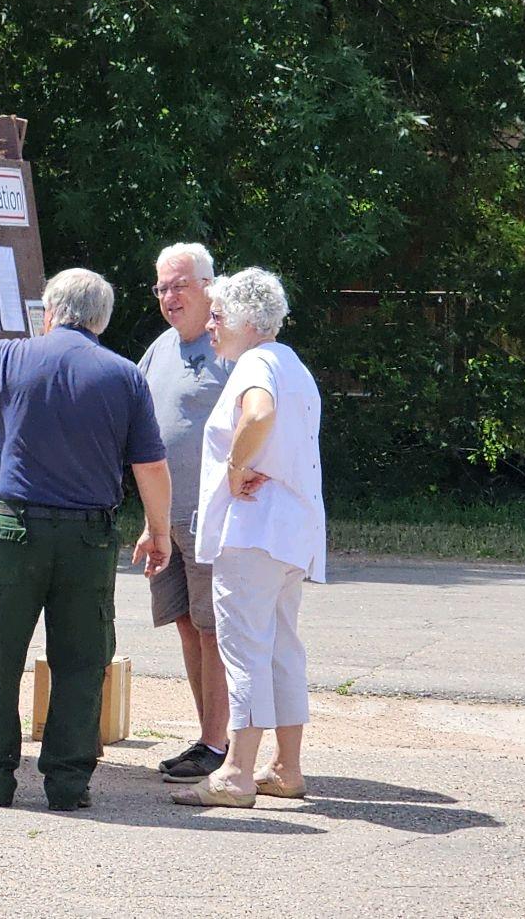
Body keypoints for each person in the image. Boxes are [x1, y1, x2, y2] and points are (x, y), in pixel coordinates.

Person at [0, 267, 174, 811]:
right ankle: (67, 783)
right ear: (101, 320)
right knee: (82, 661)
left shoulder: (9, 358)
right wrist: (159, 532)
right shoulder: (125, 376)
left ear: (49, 313)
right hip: (90, 538)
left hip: (15, 531)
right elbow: (150, 467)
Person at [173, 267, 325, 809]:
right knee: (282, 645)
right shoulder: (291, 363)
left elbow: (259, 412)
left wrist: (236, 466)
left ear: (245, 321)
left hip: (254, 530)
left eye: (218, 316)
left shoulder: (255, 362)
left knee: (245, 649)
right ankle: (286, 766)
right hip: (290, 530)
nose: (210, 325)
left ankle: (235, 774)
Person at [135, 243, 235, 783]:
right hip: (166, 519)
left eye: (179, 286)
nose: (170, 298)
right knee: (184, 625)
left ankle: (218, 744)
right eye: (162, 288)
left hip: (211, 517)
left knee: (213, 628)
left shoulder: (230, 348)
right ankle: (206, 736)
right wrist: (150, 518)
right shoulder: (160, 349)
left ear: (207, 286)